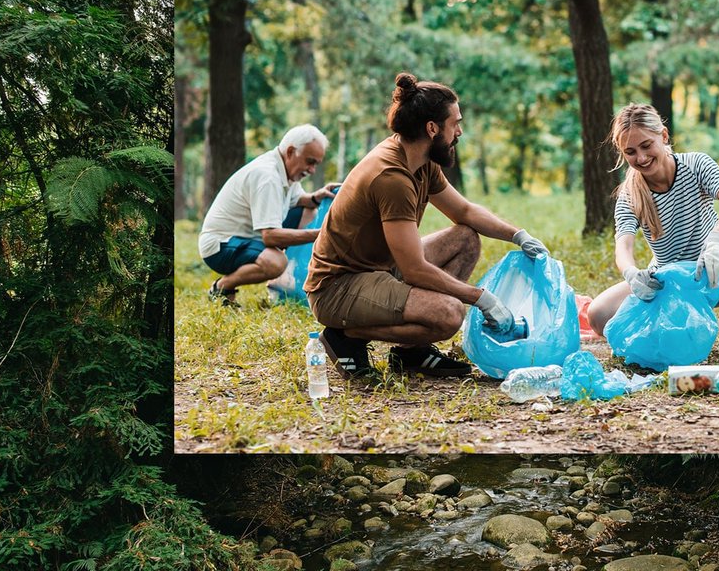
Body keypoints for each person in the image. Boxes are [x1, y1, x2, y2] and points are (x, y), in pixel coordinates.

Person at [304, 72, 550, 378]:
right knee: (448, 315)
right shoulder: (392, 177)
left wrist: (518, 235)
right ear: (432, 128)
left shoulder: (421, 159)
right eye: (455, 123)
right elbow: (414, 269)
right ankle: (345, 337)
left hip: (378, 269)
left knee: (465, 239)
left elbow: (464, 210)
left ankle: (411, 353)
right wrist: (480, 298)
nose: (459, 131)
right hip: (339, 286)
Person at [585, 104, 719, 336]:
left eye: (646, 145)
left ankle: (697, 313)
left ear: (663, 135)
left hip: (716, 273)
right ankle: (673, 317)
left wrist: (715, 240)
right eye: (630, 152)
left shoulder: (696, 165)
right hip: (670, 280)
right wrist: (631, 273)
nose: (641, 158)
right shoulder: (630, 194)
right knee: (598, 314)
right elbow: (624, 246)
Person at [198, 124, 340, 308]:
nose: (312, 170)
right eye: (310, 162)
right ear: (290, 152)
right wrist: (321, 234)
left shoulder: (285, 170)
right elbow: (270, 236)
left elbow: (298, 201)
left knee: (308, 211)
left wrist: (315, 196)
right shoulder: (268, 177)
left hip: (246, 239)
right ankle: (222, 287)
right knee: (275, 262)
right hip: (220, 246)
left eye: (315, 164)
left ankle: (285, 280)